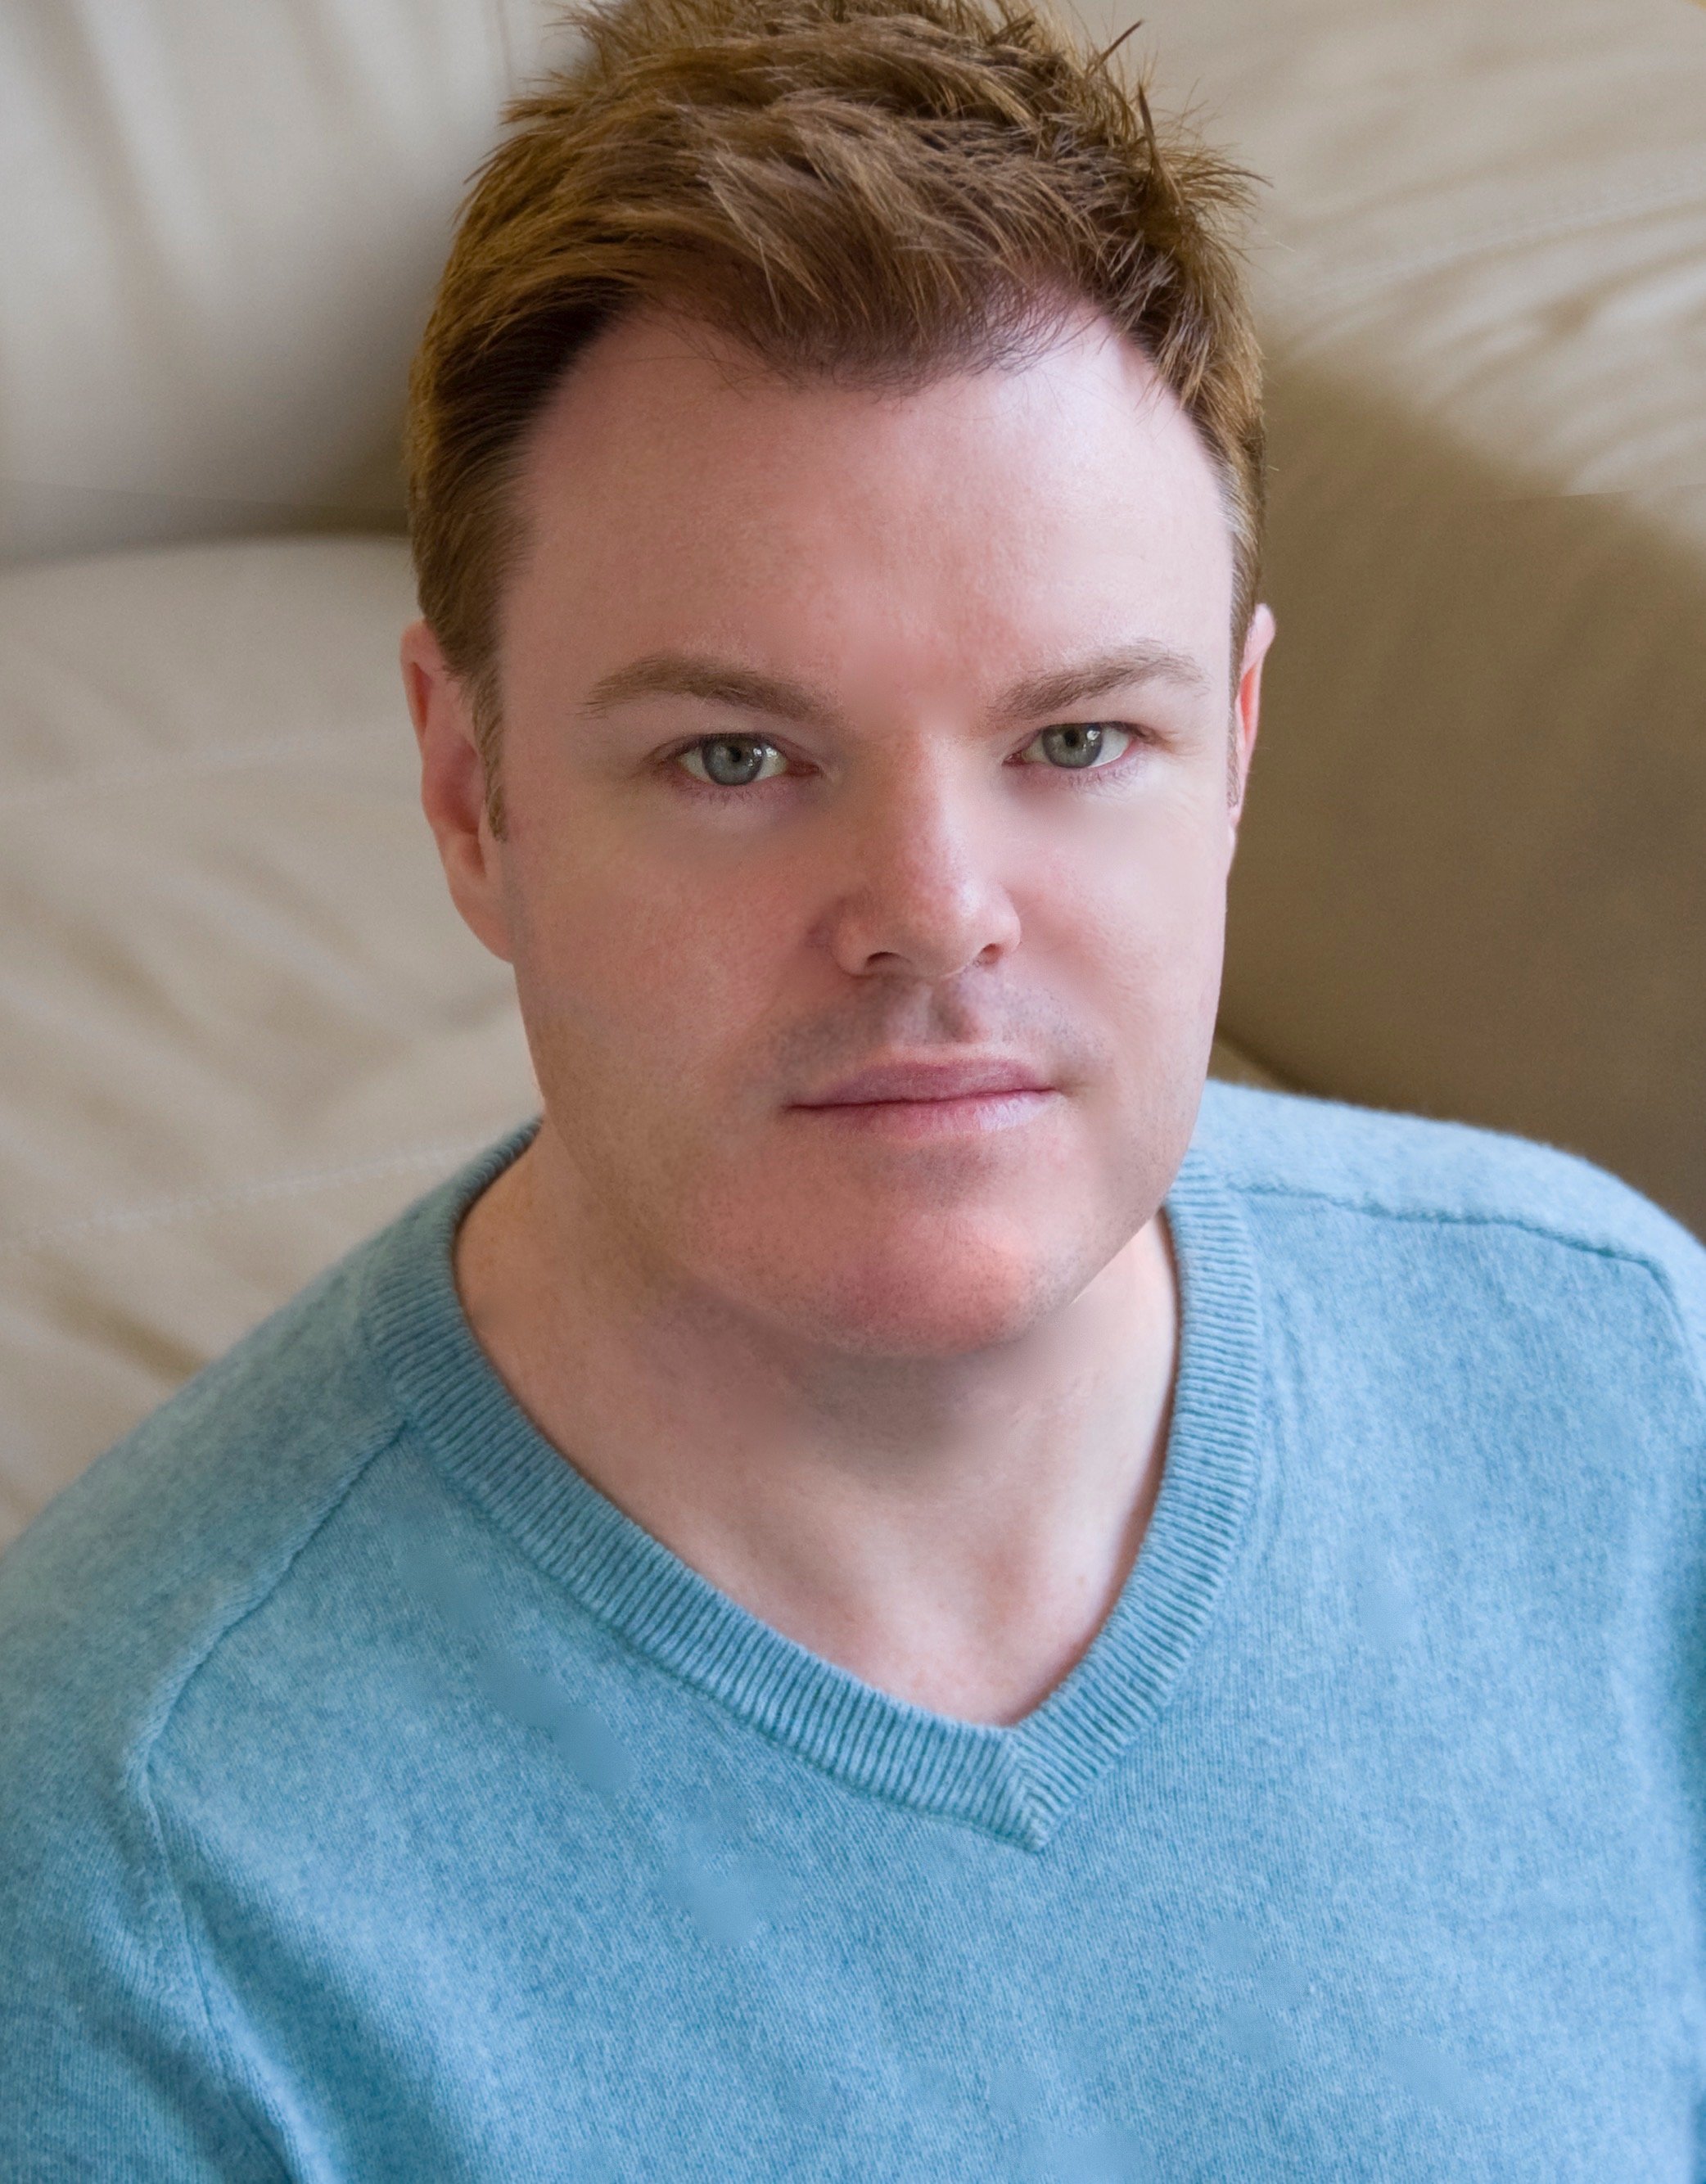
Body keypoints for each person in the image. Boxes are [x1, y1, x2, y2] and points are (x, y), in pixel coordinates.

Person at [2, 0, 1704, 2171]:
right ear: (468, 792)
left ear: (1237, 758)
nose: (928, 911)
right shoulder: (140, 1896)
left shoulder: (1620, 1389)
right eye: (736, 756)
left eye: (1076, 739)